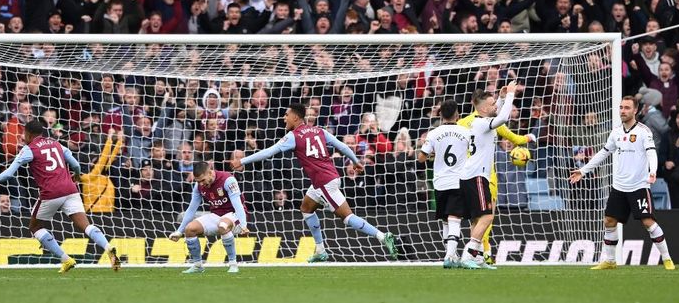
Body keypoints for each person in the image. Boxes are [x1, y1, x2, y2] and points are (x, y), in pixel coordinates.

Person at [231, 103, 398, 262]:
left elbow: (268, 152)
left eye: (286, 115)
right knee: (306, 207)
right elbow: (342, 146)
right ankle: (320, 251)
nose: (284, 118)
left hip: (324, 182)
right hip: (326, 179)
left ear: (296, 117)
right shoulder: (319, 131)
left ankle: (383, 236)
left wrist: (243, 161)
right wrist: (355, 161)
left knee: (347, 218)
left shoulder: (293, 136)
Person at [0, 119, 120, 273]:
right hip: (70, 189)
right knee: (86, 225)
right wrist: (76, 175)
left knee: (35, 227)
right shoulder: (57, 144)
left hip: (51, 193)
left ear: (28, 134)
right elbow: (75, 164)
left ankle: (66, 259)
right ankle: (108, 247)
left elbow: (9, 173)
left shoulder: (29, 149)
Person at [569, 96, 676, 271]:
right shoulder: (616, 132)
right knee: (609, 221)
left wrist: (653, 171)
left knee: (648, 222)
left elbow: (651, 153)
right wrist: (583, 170)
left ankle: (667, 259)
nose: (622, 111)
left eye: (627, 108)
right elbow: (603, 153)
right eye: (621, 107)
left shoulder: (644, 131)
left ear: (635, 110)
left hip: (639, 186)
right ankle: (610, 261)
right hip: (619, 186)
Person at [457, 88, 536, 265]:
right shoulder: (481, 123)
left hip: (473, 176)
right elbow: (501, 118)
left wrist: (499, 98)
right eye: (492, 104)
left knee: (477, 219)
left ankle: (477, 258)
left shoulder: (479, 121)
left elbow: (493, 111)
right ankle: (468, 255)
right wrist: (510, 95)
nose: (496, 106)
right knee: (487, 217)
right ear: (483, 109)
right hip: (476, 176)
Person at [417, 100, 471, 269]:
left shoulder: (433, 133)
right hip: (458, 180)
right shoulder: (466, 132)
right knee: (455, 218)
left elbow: (421, 158)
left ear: (440, 115)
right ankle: (449, 256)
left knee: (445, 221)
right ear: (457, 114)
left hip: (439, 182)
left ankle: (451, 254)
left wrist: (434, 155)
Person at [169, 161, 248, 274]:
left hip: (234, 214)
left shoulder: (228, 180)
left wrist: (243, 225)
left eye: (202, 180)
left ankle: (233, 264)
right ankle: (197, 266)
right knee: (190, 229)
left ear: (210, 173)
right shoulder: (199, 187)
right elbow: (191, 209)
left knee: (223, 225)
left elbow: (237, 204)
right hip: (216, 215)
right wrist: (179, 231)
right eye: (198, 181)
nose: (201, 184)